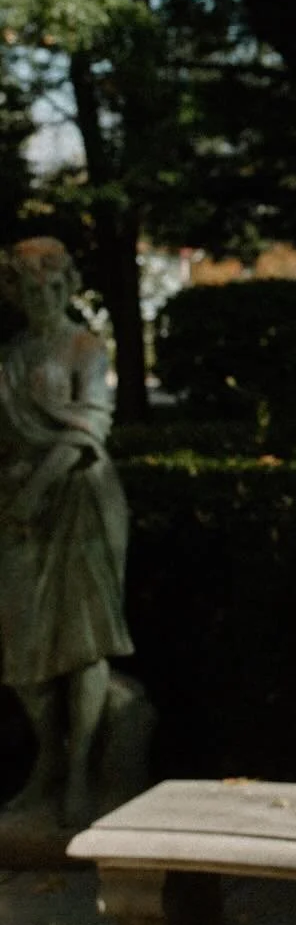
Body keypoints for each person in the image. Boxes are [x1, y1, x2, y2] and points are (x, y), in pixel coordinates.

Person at [0, 236, 132, 829]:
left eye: (48, 286)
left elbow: (91, 429)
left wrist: (37, 485)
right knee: (24, 649)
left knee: (85, 637)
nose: (38, 298)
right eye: (26, 288)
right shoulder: (10, 357)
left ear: (65, 285)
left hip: (80, 499)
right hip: (19, 513)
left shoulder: (85, 347)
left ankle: (81, 773)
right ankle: (46, 764)